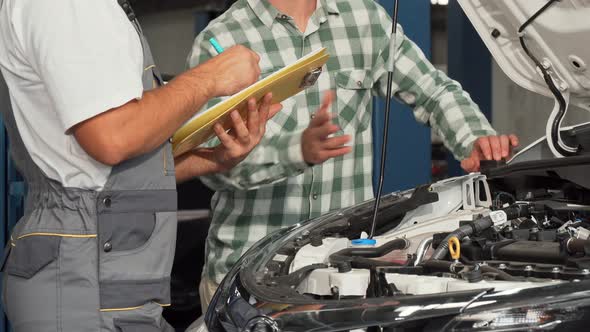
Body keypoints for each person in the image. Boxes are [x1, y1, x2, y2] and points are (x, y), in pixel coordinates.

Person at [187, 0, 519, 310]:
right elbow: (212, 167)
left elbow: (434, 91)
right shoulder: (222, 39)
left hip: (345, 275)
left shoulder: (366, 21)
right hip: (249, 278)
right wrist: (296, 151)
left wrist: (473, 137)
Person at [0, 0, 280, 331]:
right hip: (86, 283)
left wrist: (213, 159)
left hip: (110, 284)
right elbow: (114, 136)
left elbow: (107, 180)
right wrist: (211, 77)